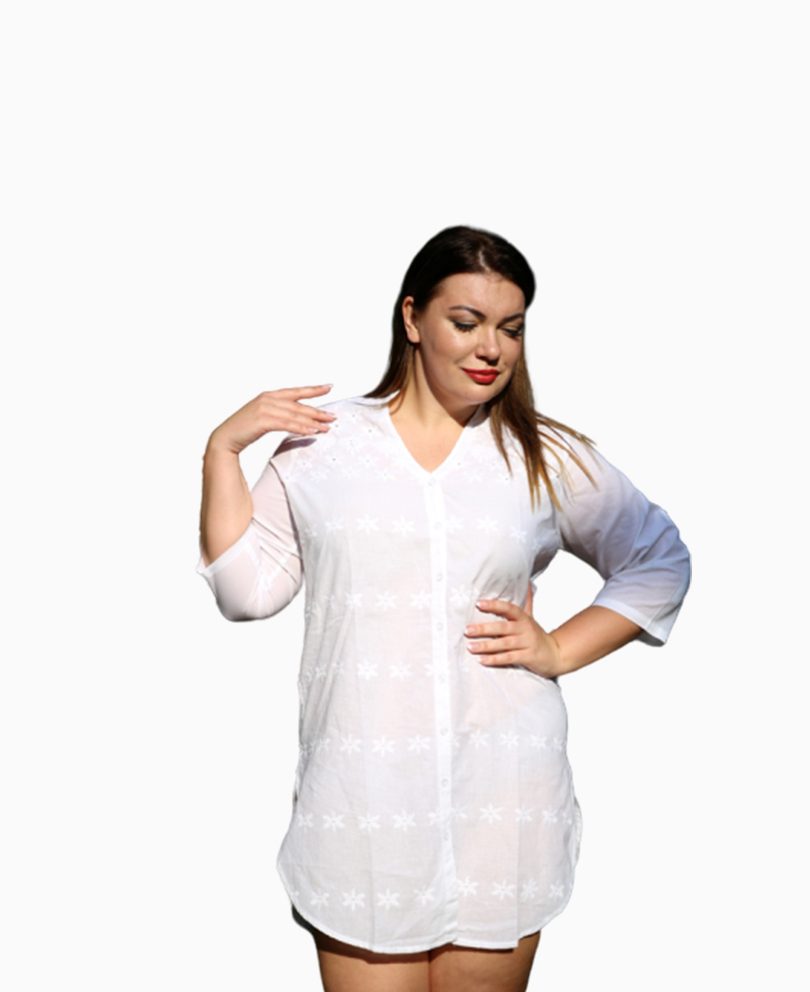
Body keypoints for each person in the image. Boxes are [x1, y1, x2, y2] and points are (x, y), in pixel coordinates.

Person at [196, 224, 691, 992]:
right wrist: (223, 450)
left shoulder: (542, 455)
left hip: (503, 796)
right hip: (364, 803)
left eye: (511, 328)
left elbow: (657, 559)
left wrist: (559, 648)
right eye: (466, 322)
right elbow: (245, 591)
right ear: (412, 318)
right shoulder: (324, 447)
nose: (490, 347)